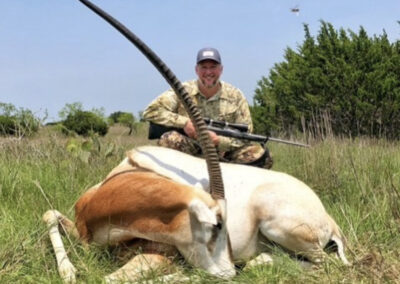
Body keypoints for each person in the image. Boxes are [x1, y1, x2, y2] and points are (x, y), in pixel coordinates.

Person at [143, 47, 273, 169]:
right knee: (169, 140)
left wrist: (219, 141)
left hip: (225, 153)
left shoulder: (235, 95)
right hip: (191, 149)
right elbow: (150, 111)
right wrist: (185, 123)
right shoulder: (182, 90)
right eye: (203, 67)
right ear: (196, 70)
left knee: (260, 154)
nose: (208, 72)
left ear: (221, 69)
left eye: (213, 67)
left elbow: (247, 133)